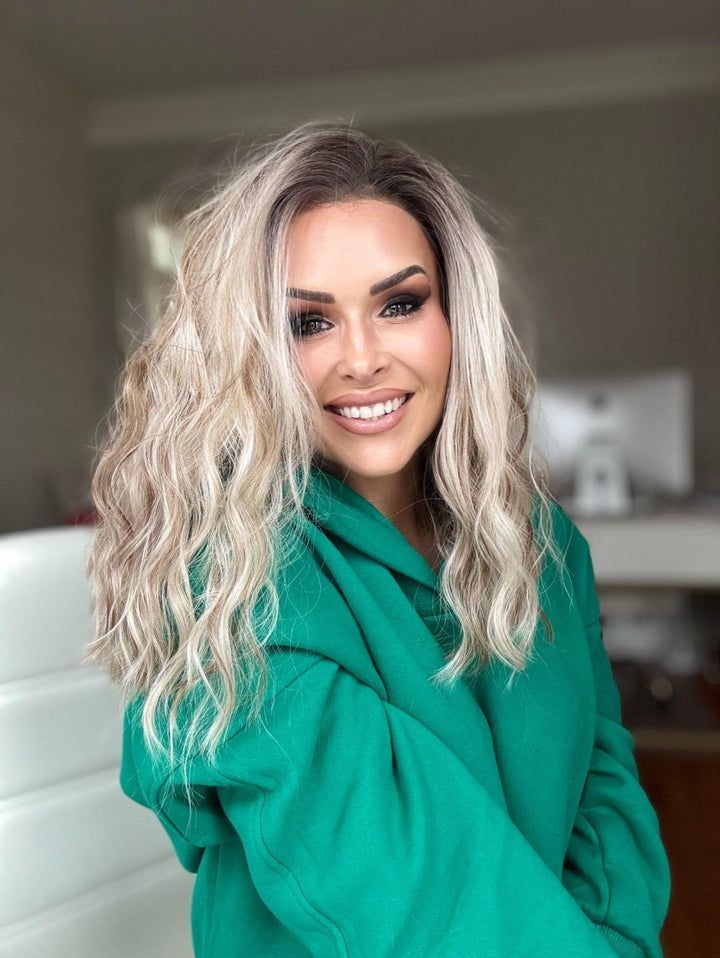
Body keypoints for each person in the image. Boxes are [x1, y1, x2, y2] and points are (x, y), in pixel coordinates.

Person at [86, 121, 670, 958]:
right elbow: (420, 908)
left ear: (455, 316)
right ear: (248, 352)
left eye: (399, 304)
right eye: (308, 323)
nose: (361, 359)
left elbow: (602, 794)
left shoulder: (541, 542)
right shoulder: (241, 582)